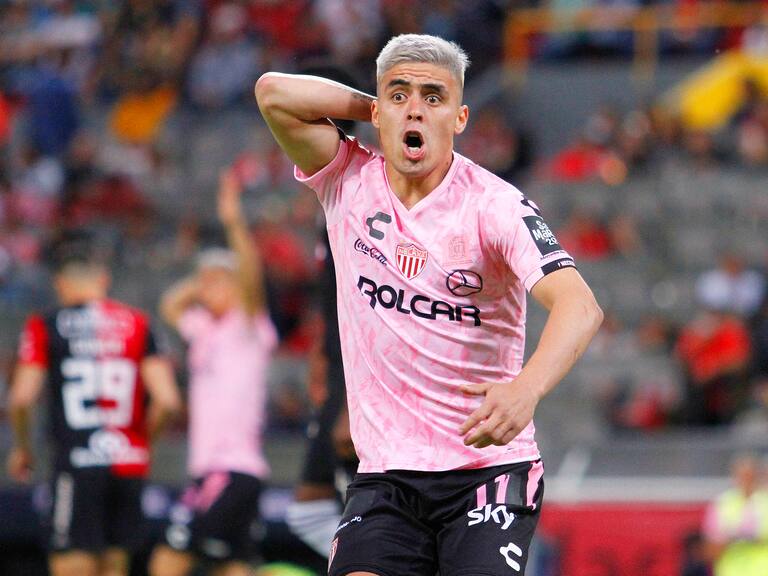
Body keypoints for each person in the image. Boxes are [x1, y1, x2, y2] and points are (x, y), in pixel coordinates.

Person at [256, 33, 603, 575]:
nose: (415, 108)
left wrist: (525, 392)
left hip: (486, 471)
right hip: (387, 476)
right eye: (399, 95)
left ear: (460, 118)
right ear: (377, 108)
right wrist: (371, 107)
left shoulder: (495, 206)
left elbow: (580, 306)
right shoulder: (347, 180)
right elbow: (273, 92)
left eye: (433, 98)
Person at [5, 237, 182, 576]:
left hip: (77, 464)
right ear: (102, 280)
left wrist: (23, 448)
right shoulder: (139, 323)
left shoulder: (46, 324)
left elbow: (22, 398)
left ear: (60, 284)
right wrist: (143, 443)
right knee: (115, 565)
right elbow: (168, 401)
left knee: (72, 562)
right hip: (127, 464)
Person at [149, 170, 277, 576]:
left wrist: (234, 224)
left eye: (216, 283)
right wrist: (205, 277)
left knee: (167, 561)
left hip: (229, 469)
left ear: (236, 286)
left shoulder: (248, 326)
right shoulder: (206, 328)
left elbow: (252, 277)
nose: (205, 291)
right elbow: (169, 305)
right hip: (223, 471)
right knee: (233, 568)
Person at [702, 454, 768, 576]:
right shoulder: (723, 504)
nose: (747, 481)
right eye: (743, 476)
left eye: (750, 476)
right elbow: (709, 551)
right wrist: (731, 538)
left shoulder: (765, 501)